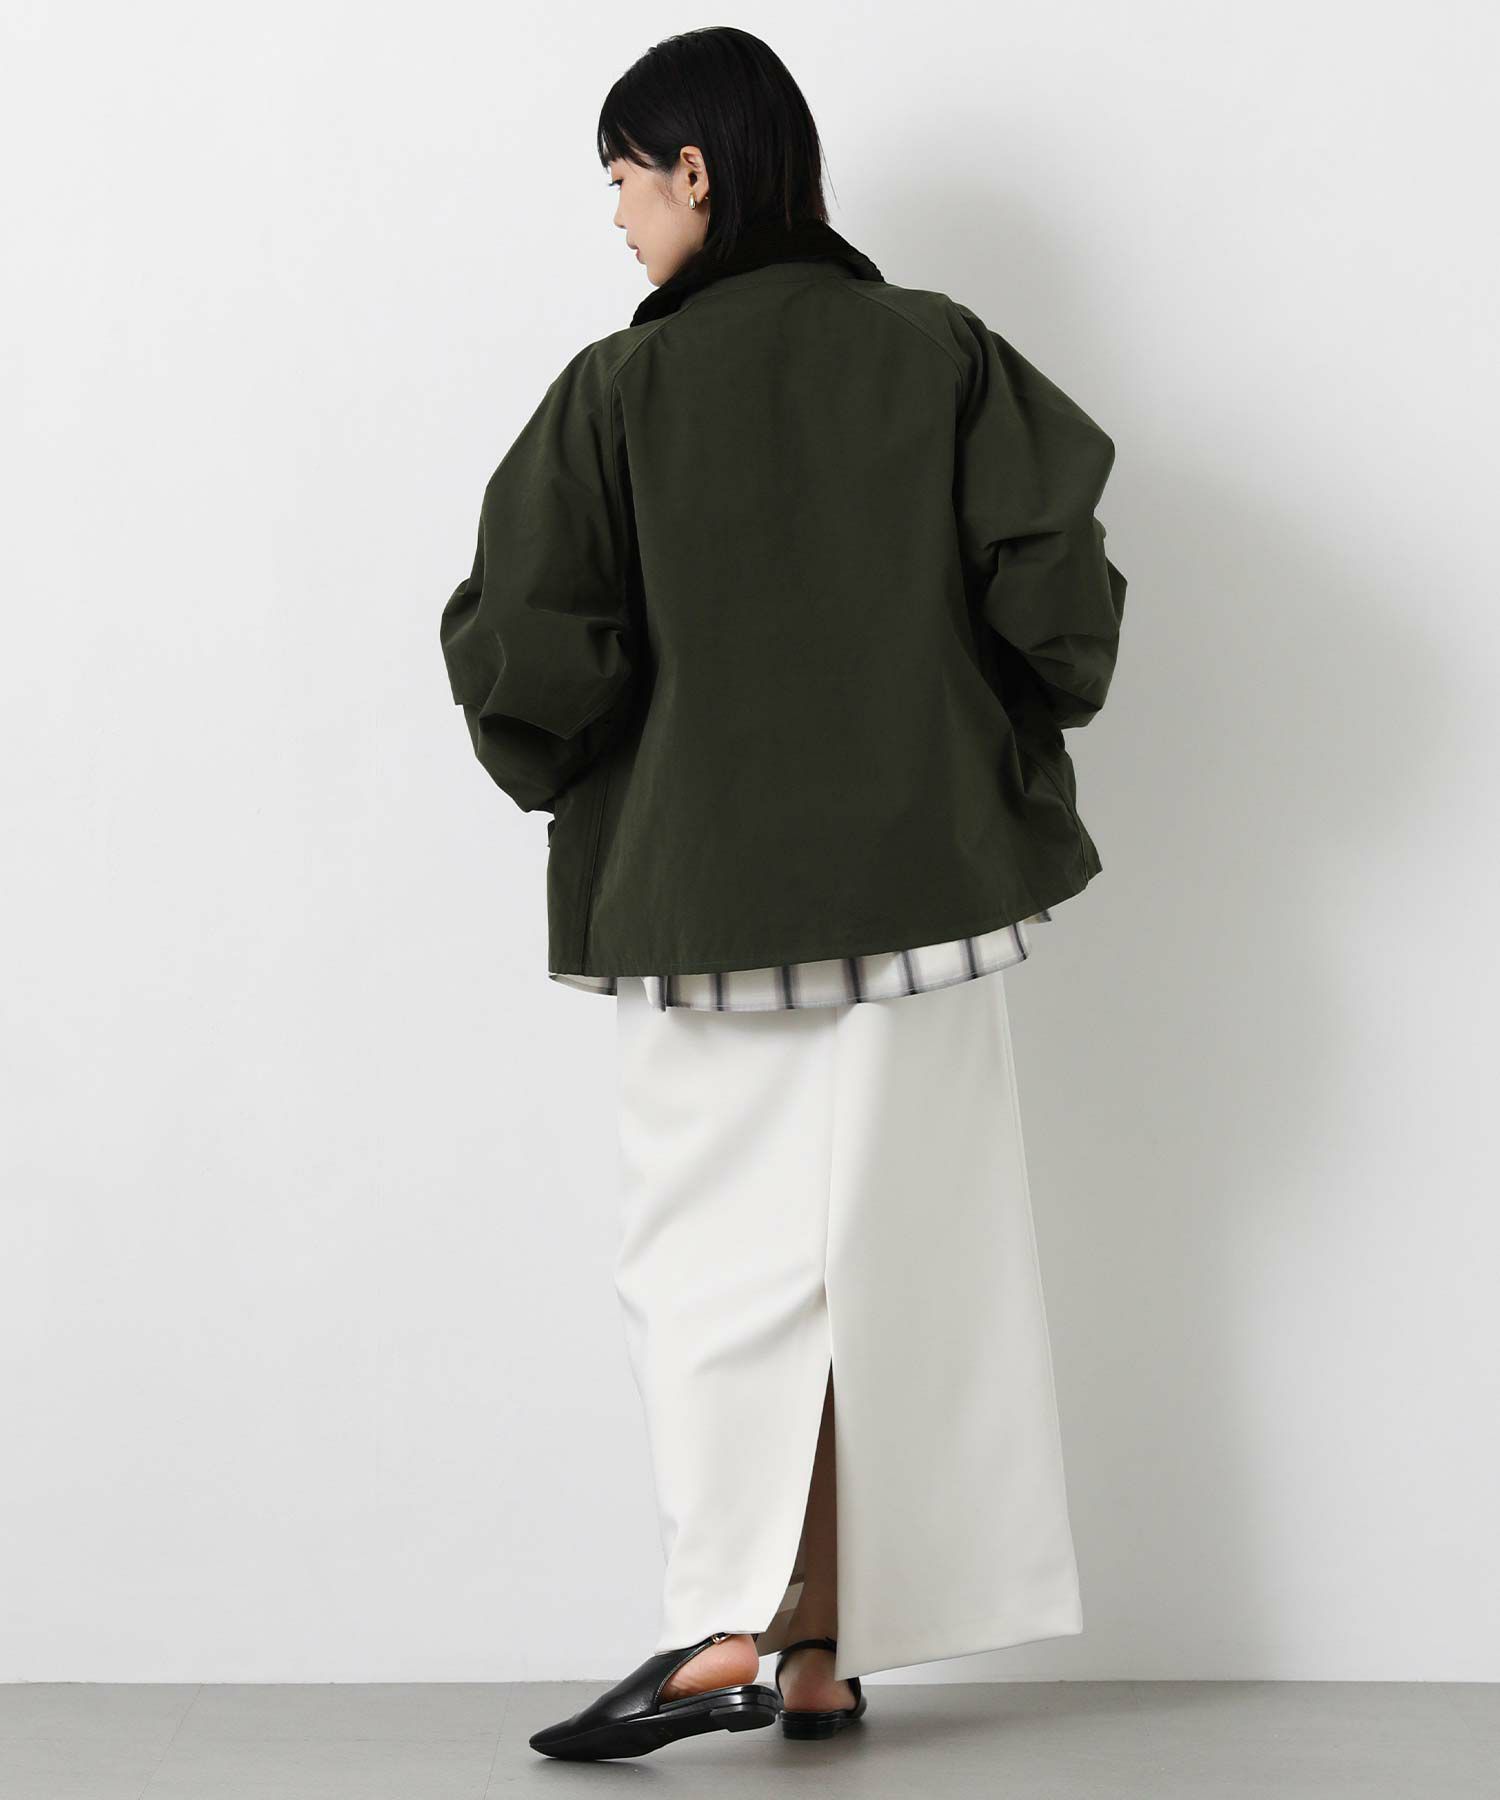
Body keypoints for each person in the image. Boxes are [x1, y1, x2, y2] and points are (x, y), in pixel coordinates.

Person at [438, 25, 1127, 1764]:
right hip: (929, 894)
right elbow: (1058, 603)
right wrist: (980, 736)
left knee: (712, 1270)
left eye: (623, 174)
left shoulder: (618, 392)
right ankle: (822, 1649)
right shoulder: (942, 353)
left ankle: (727, 1624)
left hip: (704, 909)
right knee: (908, 1272)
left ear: (698, 169)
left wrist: (582, 770)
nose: (614, 214)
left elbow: (530, 655)